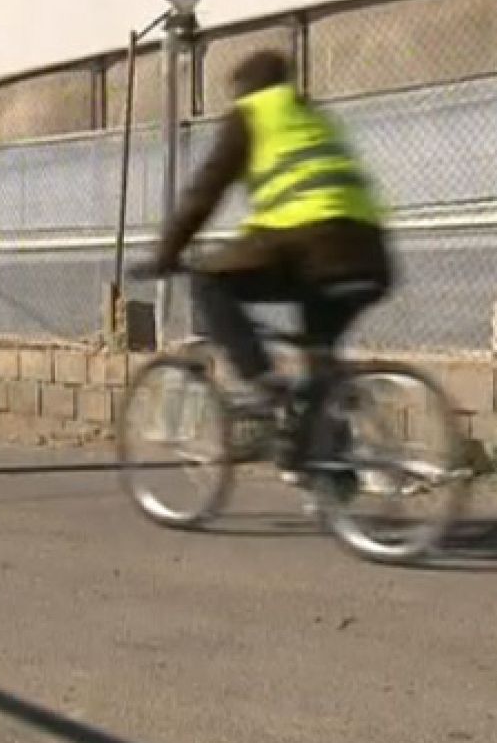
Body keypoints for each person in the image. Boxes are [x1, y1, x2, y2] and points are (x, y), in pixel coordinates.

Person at [133, 50, 394, 473]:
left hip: (305, 242)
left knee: (208, 282)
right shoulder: (313, 115)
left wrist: (167, 253)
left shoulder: (251, 114)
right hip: (369, 252)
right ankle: (327, 462)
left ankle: (264, 385)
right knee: (318, 357)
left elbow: (205, 192)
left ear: (243, 88)